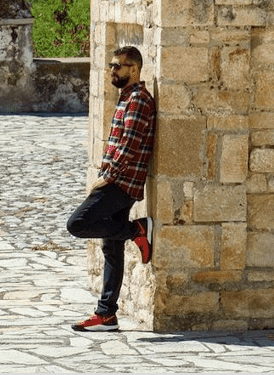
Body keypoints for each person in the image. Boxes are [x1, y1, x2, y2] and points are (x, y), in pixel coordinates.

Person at [66, 44, 155, 332]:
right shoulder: (126, 98)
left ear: (134, 69)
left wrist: (106, 178)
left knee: (78, 224)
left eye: (118, 66)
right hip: (118, 181)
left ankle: (137, 230)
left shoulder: (138, 100)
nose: (112, 70)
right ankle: (106, 314)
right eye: (111, 65)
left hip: (120, 184)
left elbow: (129, 146)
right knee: (112, 250)